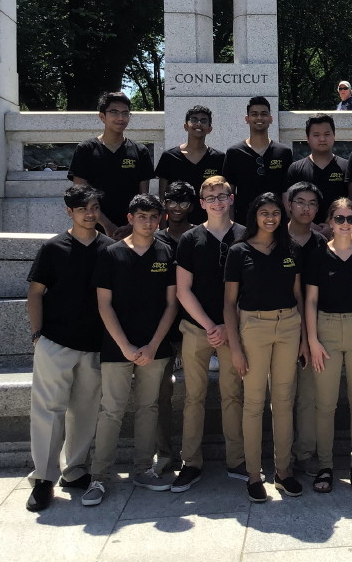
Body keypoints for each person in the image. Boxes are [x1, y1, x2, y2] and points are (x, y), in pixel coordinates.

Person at [83, 194, 178, 506]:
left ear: (161, 219)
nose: (148, 222)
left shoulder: (166, 251)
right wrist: (125, 346)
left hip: (155, 348)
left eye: (153, 217)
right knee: (111, 409)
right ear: (130, 218)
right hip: (116, 347)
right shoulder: (111, 254)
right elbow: (103, 304)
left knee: (149, 407)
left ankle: (142, 469)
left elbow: (171, 304)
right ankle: (99, 477)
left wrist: (152, 345)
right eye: (142, 216)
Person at [24, 185, 113, 512]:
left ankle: (75, 471)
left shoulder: (109, 248)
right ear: (69, 212)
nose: (89, 214)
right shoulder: (53, 248)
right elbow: (35, 293)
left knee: (86, 411)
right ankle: (44, 479)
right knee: (48, 412)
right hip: (55, 343)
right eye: (82, 209)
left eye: (93, 207)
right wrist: (37, 335)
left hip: (94, 345)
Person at [224, 192, 308, 503]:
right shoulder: (239, 251)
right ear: (254, 216)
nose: (270, 217)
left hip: (288, 324)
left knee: (284, 400)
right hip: (253, 327)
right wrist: (235, 348)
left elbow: (298, 294)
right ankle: (254, 475)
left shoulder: (291, 249)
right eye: (264, 212)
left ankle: (284, 473)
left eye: (275, 212)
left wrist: (303, 338)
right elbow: (229, 304)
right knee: (254, 402)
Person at [170, 177, 247, 492]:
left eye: (222, 196)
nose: (216, 201)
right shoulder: (190, 238)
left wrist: (228, 328)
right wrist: (209, 327)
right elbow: (183, 290)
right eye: (210, 197)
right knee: (193, 397)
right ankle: (191, 463)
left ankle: (237, 459)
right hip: (196, 328)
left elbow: (250, 287)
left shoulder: (245, 234)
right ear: (201, 203)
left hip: (235, 330)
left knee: (233, 395)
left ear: (231, 198)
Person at [304, 198, 352, 492]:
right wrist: (312, 339)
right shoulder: (317, 255)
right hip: (325, 329)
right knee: (325, 404)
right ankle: (326, 466)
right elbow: (310, 300)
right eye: (339, 218)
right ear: (330, 221)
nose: (345, 224)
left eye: (351, 218)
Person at [151, 180, 196, 474]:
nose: (177, 208)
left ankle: (195, 455)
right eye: (172, 201)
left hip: (197, 326)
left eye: (183, 202)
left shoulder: (200, 236)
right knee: (161, 395)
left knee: (197, 394)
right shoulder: (154, 240)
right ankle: (165, 454)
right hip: (164, 328)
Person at [286, 181, 329, 477]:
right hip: (279, 325)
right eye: (300, 202)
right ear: (289, 205)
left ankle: (305, 452)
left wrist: (308, 336)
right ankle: (282, 453)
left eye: (312, 203)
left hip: (313, 326)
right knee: (281, 393)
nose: (306, 208)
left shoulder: (320, 244)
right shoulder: (273, 237)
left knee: (308, 394)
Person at [68, 91, 154, 238]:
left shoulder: (140, 151)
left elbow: (143, 196)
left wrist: (131, 224)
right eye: (114, 112)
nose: (120, 118)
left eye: (125, 113)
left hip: (131, 230)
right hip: (93, 229)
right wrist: (106, 224)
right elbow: (80, 194)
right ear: (102, 116)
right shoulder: (86, 149)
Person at [223, 97, 294, 228]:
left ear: (271, 119)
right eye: (254, 114)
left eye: (264, 114)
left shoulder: (283, 152)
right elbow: (229, 194)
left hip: (276, 223)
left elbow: (287, 193)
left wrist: (289, 223)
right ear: (247, 119)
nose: (259, 118)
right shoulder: (234, 152)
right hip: (243, 223)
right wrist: (230, 226)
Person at [154, 105, 224, 225]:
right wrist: (163, 225)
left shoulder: (219, 158)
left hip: (209, 224)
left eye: (203, 121)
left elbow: (223, 194)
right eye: (194, 119)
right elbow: (162, 197)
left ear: (209, 128)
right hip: (176, 226)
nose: (198, 124)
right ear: (186, 126)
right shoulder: (169, 157)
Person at [285, 114, 348, 229]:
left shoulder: (346, 167)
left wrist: (333, 226)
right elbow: (288, 205)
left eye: (327, 134)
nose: (322, 139)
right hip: (304, 233)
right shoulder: (296, 169)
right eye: (316, 135)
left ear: (334, 135)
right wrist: (311, 226)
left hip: (340, 232)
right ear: (307, 138)